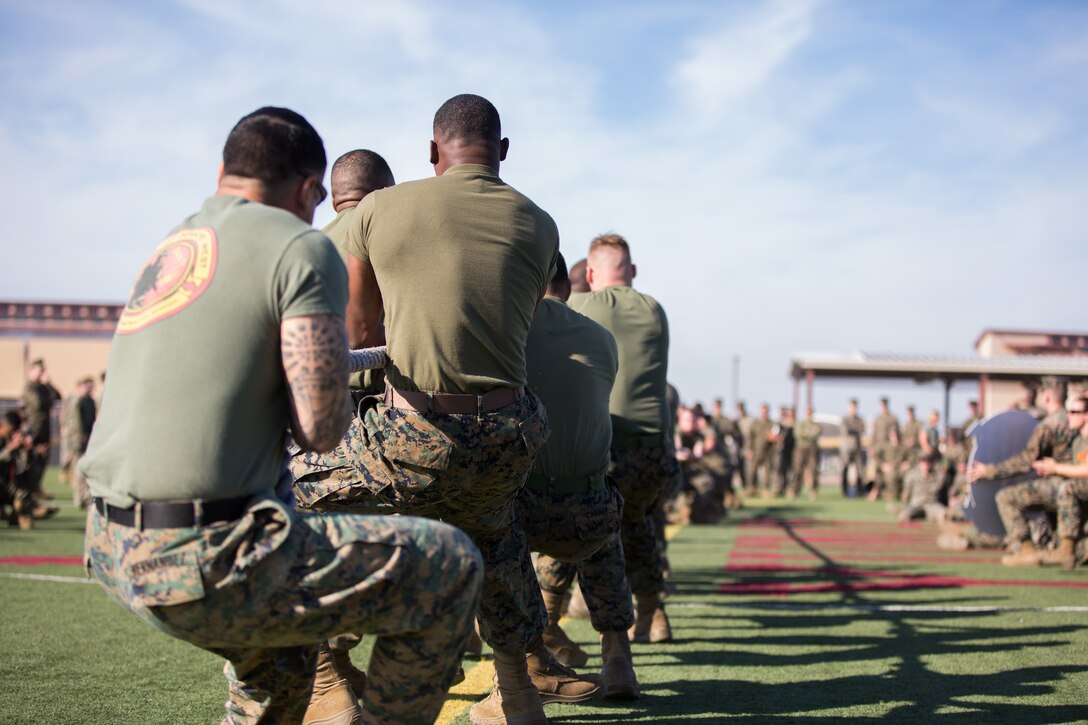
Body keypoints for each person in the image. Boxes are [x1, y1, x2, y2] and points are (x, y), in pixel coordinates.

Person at [80, 106, 483, 724]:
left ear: (224, 173)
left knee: (284, 671)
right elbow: (322, 429)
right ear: (308, 191)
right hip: (204, 552)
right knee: (450, 565)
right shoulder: (301, 247)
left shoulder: (173, 245)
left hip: (108, 543)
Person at [291, 94, 598, 724]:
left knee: (285, 492)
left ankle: (326, 681)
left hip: (417, 430)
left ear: (432, 152)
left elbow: (353, 315)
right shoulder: (540, 223)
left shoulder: (382, 208)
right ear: (504, 151)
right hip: (510, 433)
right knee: (493, 528)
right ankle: (514, 693)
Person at [518, 254, 640, 699]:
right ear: (568, 288)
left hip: (526, 509)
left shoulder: (511, 333)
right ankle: (618, 658)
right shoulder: (603, 339)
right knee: (601, 521)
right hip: (587, 510)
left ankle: (522, 658)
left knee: (492, 525)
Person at [570, 232, 673, 645]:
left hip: (609, 445)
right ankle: (654, 610)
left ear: (591, 273)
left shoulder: (585, 306)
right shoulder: (655, 310)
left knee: (586, 529)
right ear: (631, 272)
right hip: (656, 449)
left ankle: (570, 618)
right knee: (638, 523)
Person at [968, 377, 1077, 566]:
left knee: (1006, 497)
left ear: (1048, 396)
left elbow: (1026, 460)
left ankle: (1026, 549)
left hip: (1061, 485)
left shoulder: (1049, 425)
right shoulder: (1075, 419)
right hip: (1075, 483)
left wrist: (990, 471)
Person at [321, 148, 396, 395]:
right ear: (386, 192)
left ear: (334, 201)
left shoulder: (308, 244)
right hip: (370, 406)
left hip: (313, 400)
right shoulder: (390, 235)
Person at [1032, 396, 1088, 569]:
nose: (1068, 416)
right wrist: (1050, 470)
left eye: (1074, 412)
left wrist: (1056, 468)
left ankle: (1067, 549)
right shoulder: (1078, 441)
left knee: (1067, 488)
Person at [21, 359, 60, 498]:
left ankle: (36, 487)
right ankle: (31, 489)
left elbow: (58, 396)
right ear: (31, 371)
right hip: (34, 428)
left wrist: (49, 385)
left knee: (43, 459)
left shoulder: (43, 386)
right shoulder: (30, 387)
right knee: (33, 460)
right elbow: (39, 404)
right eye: (39, 371)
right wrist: (48, 398)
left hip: (44, 428)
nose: (42, 374)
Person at [61, 376, 97, 509]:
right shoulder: (77, 401)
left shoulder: (91, 401)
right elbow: (74, 422)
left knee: (86, 469)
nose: (89, 388)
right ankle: (79, 497)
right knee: (79, 468)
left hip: (89, 439)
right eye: (87, 385)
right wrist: (79, 437)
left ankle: (85, 496)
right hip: (78, 440)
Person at [898, 456, 946, 522]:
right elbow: (906, 493)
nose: (926, 466)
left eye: (928, 463)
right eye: (924, 463)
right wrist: (905, 505)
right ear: (920, 464)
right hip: (916, 504)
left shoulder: (938, 476)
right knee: (905, 516)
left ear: (932, 464)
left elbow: (942, 491)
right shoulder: (912, 475)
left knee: (944, 515)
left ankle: (929, 516)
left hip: (932, 504)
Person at [869, 397, 900, 500]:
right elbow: (874, 434)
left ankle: (885, 492)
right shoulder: (877, 418)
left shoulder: (893, 418)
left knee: (890, 470)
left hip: (889, 449)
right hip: (878, 448)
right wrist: (872, 447)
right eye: (882, 405)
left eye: (885, 405)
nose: (884, 407)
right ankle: (876, 490)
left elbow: (897, 434)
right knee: (878, 468)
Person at [792, 406, 821, 500]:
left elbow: (816, 434)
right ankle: (795, 490)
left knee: (813, 470)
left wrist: (806, 433)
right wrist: (810, 433)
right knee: (797, 470)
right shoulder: (800, 423)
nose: (809, 414)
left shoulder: (816, 424)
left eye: (810, 412)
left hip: (812, 449)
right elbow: (798, 434)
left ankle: (813, 490)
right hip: (801, 448)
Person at [747, 404, 775, 497]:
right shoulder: (755, 423)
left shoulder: (771, 424)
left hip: (768, 451)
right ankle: (752, 488)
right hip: (756, 450)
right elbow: (750, 437)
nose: (764, 413)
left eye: (766, 411)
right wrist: (749, 450)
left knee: (767, 471)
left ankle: (766, 489)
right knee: (752, 470)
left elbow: (776, 436)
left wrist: (773, 438)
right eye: (763, 411)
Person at [840, 398, 865, 497]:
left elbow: (862, 429)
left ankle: (859, 492)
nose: (853, 409)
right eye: (852, 407)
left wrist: (854, 430)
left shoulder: (859, 419)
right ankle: (845, 492)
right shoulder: (845, 419)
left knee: (860, 470)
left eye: (855, 407)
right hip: (847, 448)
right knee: (845, 469)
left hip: (857, 448)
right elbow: (846, 430)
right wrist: (855, 430)